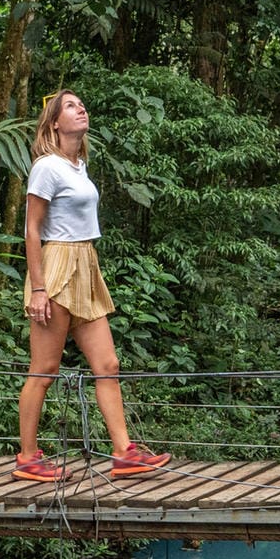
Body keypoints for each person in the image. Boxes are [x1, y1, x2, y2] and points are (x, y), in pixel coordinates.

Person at [13, 89, 171, 483]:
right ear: (54, 123)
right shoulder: (47, 167)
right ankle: (27, 458)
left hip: (86, 264)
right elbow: (32, 230)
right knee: (45, 368)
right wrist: (37, 288)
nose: (81, 107)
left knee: (107, 365)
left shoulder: (77, 165)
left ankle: (124, 453)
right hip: (58, 264)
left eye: (82, 103)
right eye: (70, 105)